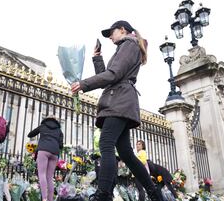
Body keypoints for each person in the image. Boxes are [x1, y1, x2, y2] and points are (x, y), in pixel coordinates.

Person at [71, 20, 163, 201]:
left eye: (111, 33)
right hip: (119, 98)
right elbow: (110, 76)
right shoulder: (126, 47)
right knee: (126, 153)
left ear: (122, 30)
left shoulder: (129, 45)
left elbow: (113, 75)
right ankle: (155, 194)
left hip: (119, 100)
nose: (110, 37)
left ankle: (103, 194)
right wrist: (97, 58)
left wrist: (83, 84)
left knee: (106, 143)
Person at [27, 116, 64, 201]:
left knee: (42, 174)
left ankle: (44, 198)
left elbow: (30, 134)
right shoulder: (59, 130)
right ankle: (50, 199)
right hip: (54, 153)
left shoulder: (43, 126)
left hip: (43, 150)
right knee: (50, 177)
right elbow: (61, 145)